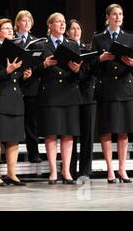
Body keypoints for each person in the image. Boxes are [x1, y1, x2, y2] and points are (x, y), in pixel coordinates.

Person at [91, 4, 133, 183]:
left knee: (124, 131)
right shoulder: (98, 38)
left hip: (126, 88)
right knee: (106, 130)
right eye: (115, 14)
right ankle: (110, 170)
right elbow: (92, 67)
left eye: (120, 14)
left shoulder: (129, 36)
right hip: (107, 88)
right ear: (108, 17)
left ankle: (122, 169)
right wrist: (100, 59)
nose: (118, 17)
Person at [34, 12, 82, 184]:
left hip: (69, 92)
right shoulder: (42, 45)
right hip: (50, 93)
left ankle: (67, 171)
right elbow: (33, 71)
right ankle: (53, 171)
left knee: (68, 134)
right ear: (50, 25)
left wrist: (77, 70)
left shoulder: (72, 44)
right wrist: (44, 64)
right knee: (51, 133)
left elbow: (80, 73)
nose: (62, 25)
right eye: (58, 22)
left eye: (63, 22)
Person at [0, 19, 31, 186]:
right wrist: (7, 71)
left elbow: (16, 78)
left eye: (10, 28)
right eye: (5, 28)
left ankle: (12, 174)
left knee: (14, 138)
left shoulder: (17, 50)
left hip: (14, 97)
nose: (10, 30)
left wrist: (24, 76)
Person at [66, 19, 96, 180]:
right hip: (71, 95)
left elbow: (93, 71)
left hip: (88, 95)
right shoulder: (65, 48)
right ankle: (69, 170)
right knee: (72, 135)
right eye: (73, 29)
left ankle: (85, 170)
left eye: (79, 28)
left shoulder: (88, 48)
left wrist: (80, 71)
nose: (77, 31)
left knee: (88, 134)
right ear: (67, 32)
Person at [14, 10, 42, 163]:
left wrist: (32, 71)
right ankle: (12, 155)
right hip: (15, 84)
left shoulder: (36, 41)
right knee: (15, 122)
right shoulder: (11, 40)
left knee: (31, 122)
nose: (26, 23)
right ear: (17, 23)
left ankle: (34, 153)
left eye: (28, 21)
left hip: (31, 85)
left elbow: (40, 64)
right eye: (23, 20)